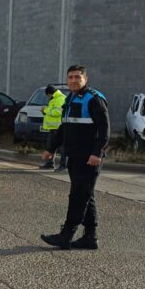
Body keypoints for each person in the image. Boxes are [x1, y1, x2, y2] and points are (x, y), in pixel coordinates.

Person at [40, 65, 109, 250]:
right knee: (86, 195)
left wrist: (97, 152)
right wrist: (51, 149)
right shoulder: (70, 98)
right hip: (74, 156)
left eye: (77, 77)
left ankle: (66, 235)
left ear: (85, 79)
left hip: (89, 158)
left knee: (78, 196)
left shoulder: (94, 99)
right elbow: (64, 127)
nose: (73, 80)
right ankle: (90, 237)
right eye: (70, 77)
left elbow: (105, 129)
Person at [39, 85, 67, 171]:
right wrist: (45, 111)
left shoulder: (60, 98)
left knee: (61, 147)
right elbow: (52, 111)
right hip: (53, 127)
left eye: (47, 95)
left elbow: (58, 112)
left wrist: (45, 110)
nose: (48, 97)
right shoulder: (54, 99)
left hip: (58, 127)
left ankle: (63, 165)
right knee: (50, 146)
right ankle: (49, 163)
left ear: (49, 93)